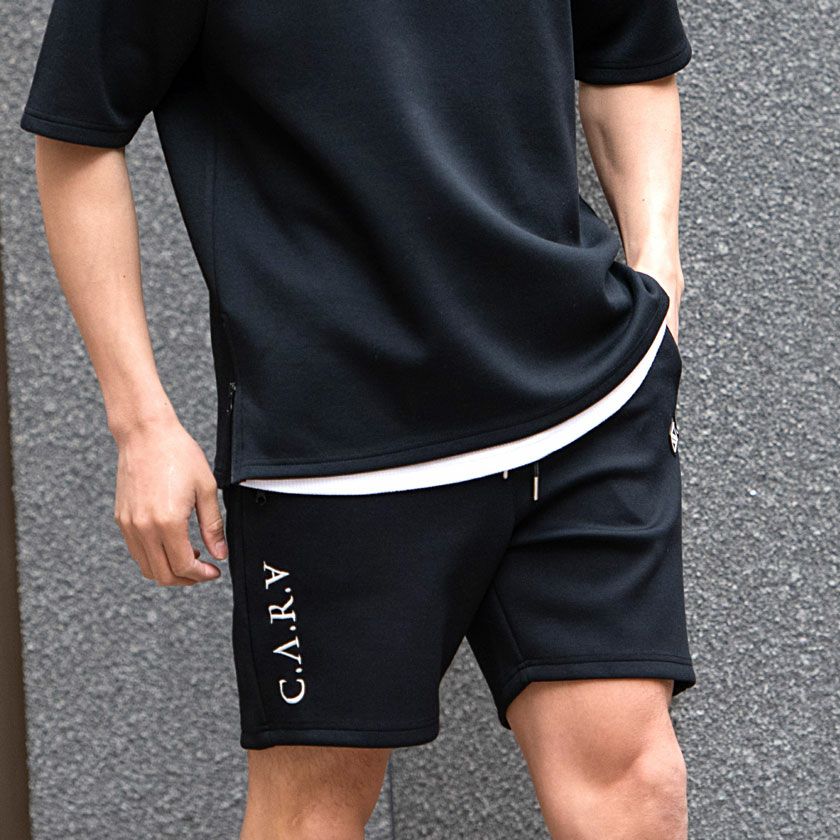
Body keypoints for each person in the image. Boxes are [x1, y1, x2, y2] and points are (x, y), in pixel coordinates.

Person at [20, 1, 697, 837]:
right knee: (311, 815)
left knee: (635, 787)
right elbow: (78, 135)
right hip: (335, 449)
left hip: (588, 402)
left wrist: (659, 267)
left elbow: (629, 54)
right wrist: (141, 425)